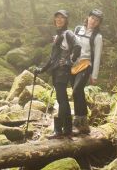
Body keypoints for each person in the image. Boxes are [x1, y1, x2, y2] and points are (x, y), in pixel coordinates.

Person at [32, 10, 80, 138]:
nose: (59, 19)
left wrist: (69, 61)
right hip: (57, 71)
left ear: (66, 20)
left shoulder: (68, 33)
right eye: (57, 17)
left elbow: (78, 47)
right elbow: (53, 58)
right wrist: (42, 69)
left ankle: (60, 131)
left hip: (62, 71)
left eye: (62, 18)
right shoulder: (59, 35)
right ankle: (66, 129)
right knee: (61, 99)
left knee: (62, 100)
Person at [70, 9, 104, 135]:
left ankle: (82, 120)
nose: (93, 22)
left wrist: (94, 75)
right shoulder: (78, 29)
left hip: (86, 64)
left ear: (99, 23)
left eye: (97, 20)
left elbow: (98, 57)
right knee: (77, 93)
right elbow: (71, 45)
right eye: (92, 18)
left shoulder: (97, 36)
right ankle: (79, 120)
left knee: (77, 90)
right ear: (88, 17)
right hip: (74, 64)